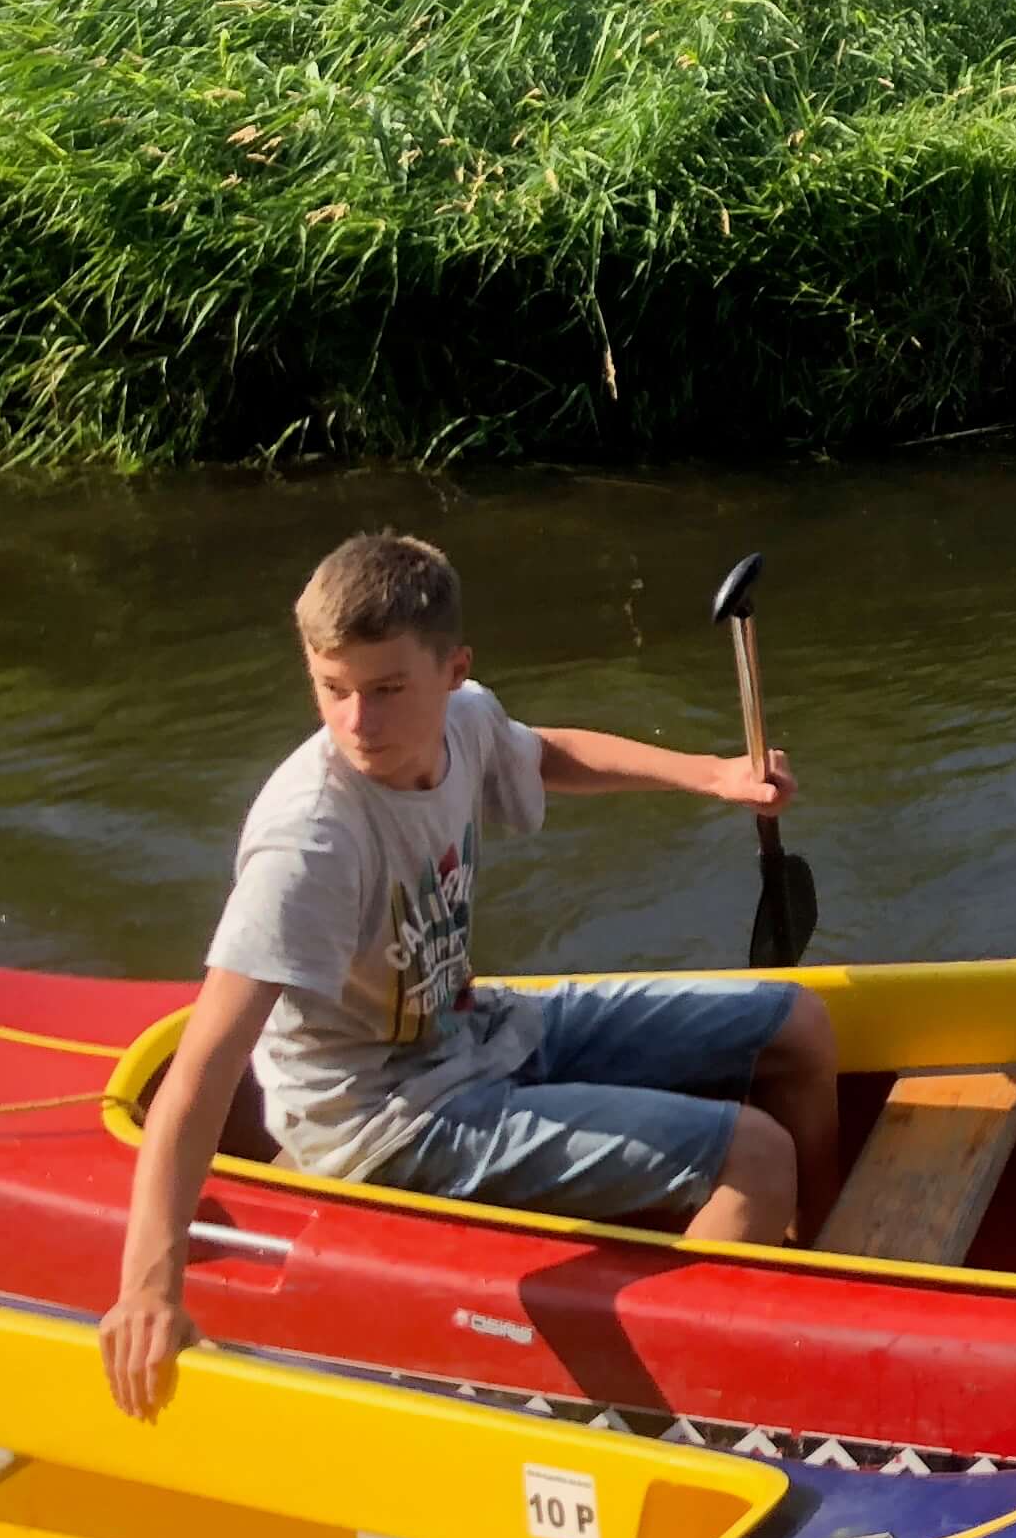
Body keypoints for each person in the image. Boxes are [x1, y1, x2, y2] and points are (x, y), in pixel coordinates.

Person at [101, 532, 836, 1417]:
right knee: (754, 1158)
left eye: (386, 690)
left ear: (454, 671)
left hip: (474, 1028)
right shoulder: (311, 842)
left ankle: (825, 1286)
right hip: (382, 1117)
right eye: (333, 691)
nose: (357, 724)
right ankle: (688, 1409)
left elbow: (540, 752)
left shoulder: (468, 721)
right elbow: (207, 1066)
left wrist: (712, 775)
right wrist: (149, 1283)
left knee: (798, 1025)